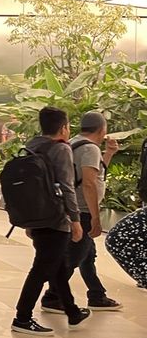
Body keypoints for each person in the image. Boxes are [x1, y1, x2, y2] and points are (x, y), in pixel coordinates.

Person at [11, 106, 91, 336]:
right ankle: (22, 317)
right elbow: (67, 187)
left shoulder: (32, 146)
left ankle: (72, 311)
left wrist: (28, 221)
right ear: (64, 127)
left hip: (36, 216)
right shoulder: (60, 150)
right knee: (41, 268)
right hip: (56, 218)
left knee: (56, 265)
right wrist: (75, 220)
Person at [41, 111, 122, 312]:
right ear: (103, 130)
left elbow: (93, 172)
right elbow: (89, 183)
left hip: (68, 207)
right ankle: (52, 297)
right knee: (75, 256)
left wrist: (109, 154)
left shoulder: (75, 142)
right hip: (82, 210)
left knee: (87, 255)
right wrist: (95, 217)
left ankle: (96, 295)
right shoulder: (90, 149)